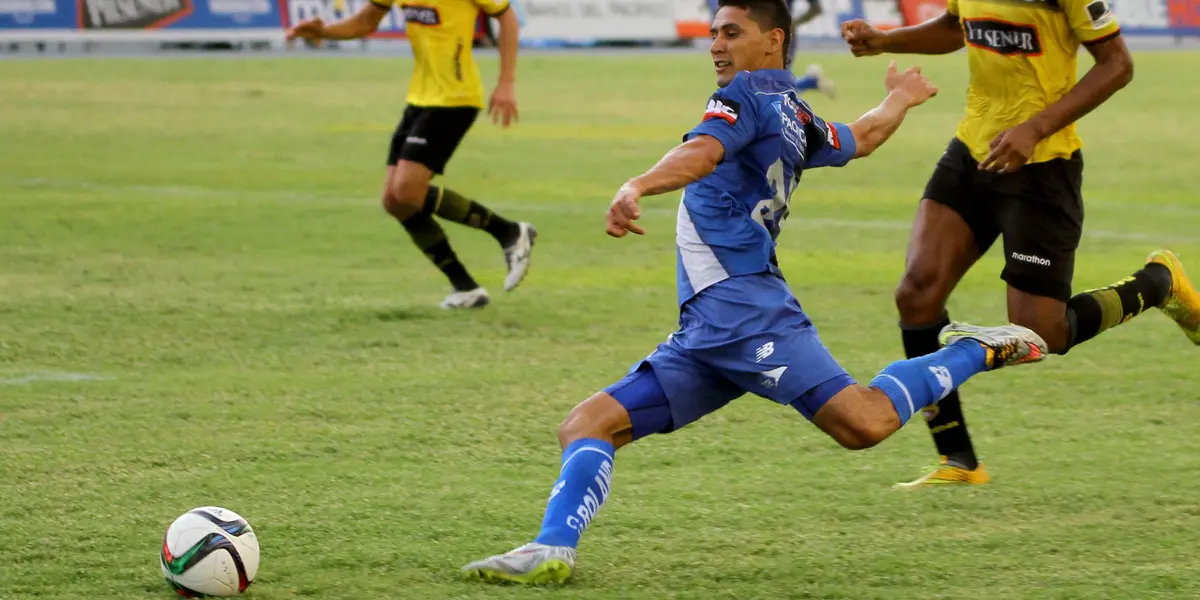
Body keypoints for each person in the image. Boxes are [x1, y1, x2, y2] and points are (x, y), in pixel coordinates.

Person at [458, 0, 1049, 584]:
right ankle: (551, 549)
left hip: (747, 314)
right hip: (706, 330)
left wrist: (637, 184)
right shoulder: (792, 111)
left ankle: (973, 349)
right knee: (587, 424)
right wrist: (897, 99)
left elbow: (701, 151)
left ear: (773, 41)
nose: (716, 43)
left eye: (731, 32)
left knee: (863, 424)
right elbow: (861, 136)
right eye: (714, 32)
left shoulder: (742, 97)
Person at [840, 3, 1200, 487]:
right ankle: (959, 461)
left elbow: (1118, 65)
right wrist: (887, 40)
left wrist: (1034, 128)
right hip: (974, 151)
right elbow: (955, 26)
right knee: (917, 293)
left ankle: (1159, 283)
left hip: (1043, 166)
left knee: (1042, 332)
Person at [287, 0, 537, 309]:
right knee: (395, 201)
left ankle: (510, 232)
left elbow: (508, 19)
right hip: (420, 99)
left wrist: (506, 83)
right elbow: (366, 22)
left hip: (456, 99)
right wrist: (326, 31)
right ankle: (465, 288)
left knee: (407, 191)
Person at [707, 0, 837, 98]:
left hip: (779, 37)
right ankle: (810, 81)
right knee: (764, 87)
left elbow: (816, 8)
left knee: (774, 87)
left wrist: (791, 23)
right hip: (748, 37)